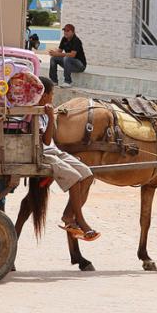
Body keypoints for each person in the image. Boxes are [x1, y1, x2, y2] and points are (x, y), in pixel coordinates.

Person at [37, 76, 100, 241]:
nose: (52, 98)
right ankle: (79, 220)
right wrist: (51, 117)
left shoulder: (43, 111)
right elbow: (45, 140)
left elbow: (50, 141)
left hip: (52, 150)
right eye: (51, 94)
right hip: (42, 153)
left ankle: (68, 215)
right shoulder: (35, 112)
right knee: (74, 177)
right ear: (43, 95)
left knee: (87, 173)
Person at [48, 24, 86, 88]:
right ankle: (54, 81)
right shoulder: (64, 39)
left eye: (68, 31)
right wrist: (54, 53)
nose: (65, 32)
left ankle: (68, 82)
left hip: (80, 66)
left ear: (73, 32)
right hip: (69, 64)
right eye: (64, 30)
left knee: (67, 58)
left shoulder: (76, 40)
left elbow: (72, 54)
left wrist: (57, 54)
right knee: (53, 58)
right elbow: (59, 52)